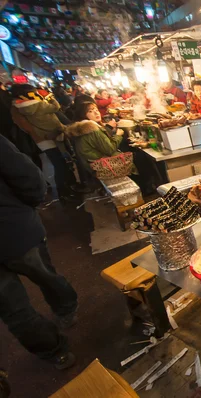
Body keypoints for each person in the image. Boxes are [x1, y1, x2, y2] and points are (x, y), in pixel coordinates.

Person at [0, 134, 78, 370]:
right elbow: (28, 176)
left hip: (14, 227)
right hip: (15, 229)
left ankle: (54, 352)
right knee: (44, 275)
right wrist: (27, 207)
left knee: (13, 309)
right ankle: (66, 311)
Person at [10, 84, 77, 201]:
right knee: (61, 164)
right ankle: (64, 191)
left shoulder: (17, 107)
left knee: (61, 163)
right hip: (52, 135)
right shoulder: (37, 103)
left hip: (43, 138)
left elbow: (25, 127)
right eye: (34, 92)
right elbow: (56, 107)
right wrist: (50, 96)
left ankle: (68, 187)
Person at [66, 102, 124, 167]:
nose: (96, 113)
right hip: (103, 166)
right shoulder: (92, 129)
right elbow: (110, 150)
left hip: (92, 164)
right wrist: (118, 135)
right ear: (83, 115)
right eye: (90, 111)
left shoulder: (82, 127)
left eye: (96, 110)